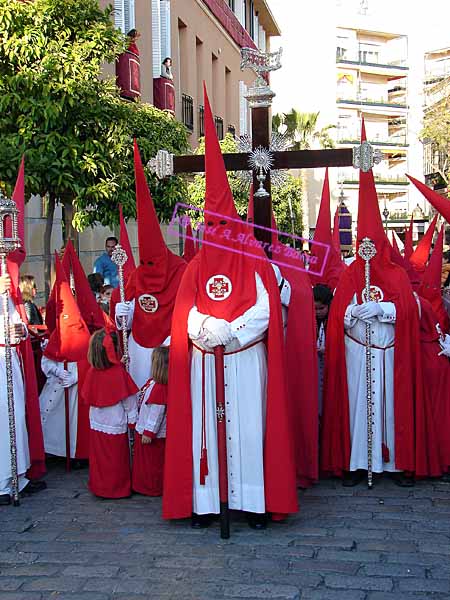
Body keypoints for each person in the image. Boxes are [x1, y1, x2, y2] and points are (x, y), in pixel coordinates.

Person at [163, 86, 298, 530]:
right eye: (212, 224)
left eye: (225, 224)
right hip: (206, 364)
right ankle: (206, 502)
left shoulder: (255, 263)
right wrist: (207, 330)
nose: (218, 232)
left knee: (248, 433)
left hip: (243, 360)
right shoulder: (195, 267)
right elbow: (184, 314)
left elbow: (264, 310)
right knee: (205, 431)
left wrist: (232, 332)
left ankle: (253, 503)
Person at [321, 121, 430, 488]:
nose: (368, 249)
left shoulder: (396, 275)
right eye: (362, 243)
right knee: (357, 409)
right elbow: (338, 313)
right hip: (358, 351)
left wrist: (383, 310)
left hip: (389, 353)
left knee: (390, 408)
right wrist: (352, 313)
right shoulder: (352, 275)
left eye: (373, 242)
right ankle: (355, 463)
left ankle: (396, 464)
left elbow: (411, 310)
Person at [115, 141, 186, 388]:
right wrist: (121, 314)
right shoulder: (137, 275)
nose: (150, 267)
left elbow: (186, 311)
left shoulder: (180, 271)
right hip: (138, 350)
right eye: (145, 261)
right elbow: (126, 317)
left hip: (168, 351)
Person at [81, 328, 138, 499]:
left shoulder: (92, 372)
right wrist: (133, 421)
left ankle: (100, 486)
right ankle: (117, 489)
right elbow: (129, 402)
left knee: (100, 459)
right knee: (116, 460)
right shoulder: (119, 373)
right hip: (116, 423)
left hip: (96, 422)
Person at [0, 273, 35, 504]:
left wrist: (21, 330)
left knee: (16, 415)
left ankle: (17, 475)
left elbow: (17, 321)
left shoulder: (7, 295)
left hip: (10, 358)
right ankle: (3, 482)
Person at [132, 346, 169, 496]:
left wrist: (149, 432)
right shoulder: (153, 383)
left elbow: (156, 413)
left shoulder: (159, 388)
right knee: (144, 463)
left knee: (152, 464)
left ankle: (151, 487)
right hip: (143, 428)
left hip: (151, 434)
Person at [313, 284, 333, 417]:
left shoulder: (333, 320)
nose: (318, 312)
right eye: (315, 309)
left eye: (321, 308)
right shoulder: (310, 320)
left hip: (328, 366)